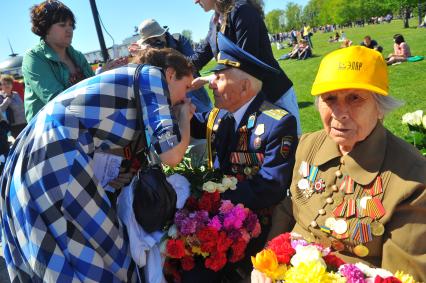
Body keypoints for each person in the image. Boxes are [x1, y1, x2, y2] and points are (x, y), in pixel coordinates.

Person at [0, 47, 196, 282]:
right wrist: (184, 117)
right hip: (57, 150)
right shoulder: (153, 76)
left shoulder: (130, 80)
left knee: (58, 243)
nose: (184, 99)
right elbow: (171, 155)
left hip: (42, 148)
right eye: (186, 88)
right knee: (104, 246)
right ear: (171, 74)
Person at [252, 46, 426, 282]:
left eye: (355, 98)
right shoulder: (308, 145)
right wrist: (268, 260)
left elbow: (402, 276)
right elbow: (288, 207)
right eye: (329, 98)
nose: (339, 113)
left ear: (380, 107)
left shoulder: (412, 179)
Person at [187, 32, 298, 282]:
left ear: (245, 86)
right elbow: (190, 124)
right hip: (218, 221)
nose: (211, 83)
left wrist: (212, 198)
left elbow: (270, 188)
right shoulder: (219, 115)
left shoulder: (276, 123)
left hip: (256, 229)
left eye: (218, 76)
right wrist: (180, 96)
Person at [191, 0, 302, 136]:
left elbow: (246, 62)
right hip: (249, 101)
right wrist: (171, 70)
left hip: (273, 96)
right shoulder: (215, 21)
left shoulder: (242, 10)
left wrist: (210, 78)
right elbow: (201, 54)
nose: (195, 1)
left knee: (290, 150)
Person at [22, 0, 95, 122]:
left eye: (71, 25)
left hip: (82, 122)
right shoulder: (34, 57)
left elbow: (94, 89)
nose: (69, 29)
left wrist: (104, 74)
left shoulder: (77, 56)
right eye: (62, 25)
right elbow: (56, 100)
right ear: (45, 28)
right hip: (49, 128)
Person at [129, 18, 212, 113]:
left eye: (156, 39)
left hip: (193, 89)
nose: (154, 43)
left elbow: (192, 65)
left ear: (163, 34)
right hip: (171, 95)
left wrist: (163, 53)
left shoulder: (178, 39)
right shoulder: (150, 52)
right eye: (149, 41)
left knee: (208, 118)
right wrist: (144, 54)